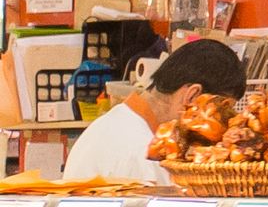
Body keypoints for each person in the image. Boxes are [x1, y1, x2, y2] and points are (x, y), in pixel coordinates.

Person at [61, 35, 247, 188]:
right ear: (192, 97)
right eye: (221, 112)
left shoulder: (111, 124)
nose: (223, 129)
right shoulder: (146, 153)